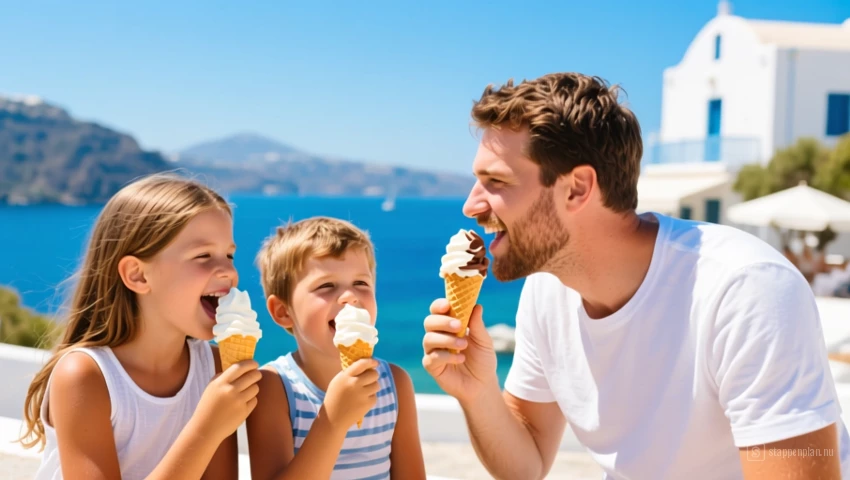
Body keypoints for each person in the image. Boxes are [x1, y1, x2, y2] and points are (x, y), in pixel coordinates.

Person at [421, 73, 850, 479]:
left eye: (495, 181)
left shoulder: (745, 290)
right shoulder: (547, 290)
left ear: (577, 189)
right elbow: (526, 464)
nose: (471, 206)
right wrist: (478, 393)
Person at [20, 174, 262, 480]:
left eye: (229, 255)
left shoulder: (212, 367)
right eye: (203, 256)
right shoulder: (86, 377)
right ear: (138, 276)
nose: (229, 271)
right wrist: (207, 428)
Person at [246, 217, 425, 480]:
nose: (350, 296)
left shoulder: (395, 385)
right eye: (326, 286)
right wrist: (334, 421)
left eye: (361, 283)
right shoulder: (274, 388)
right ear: (283, 311)